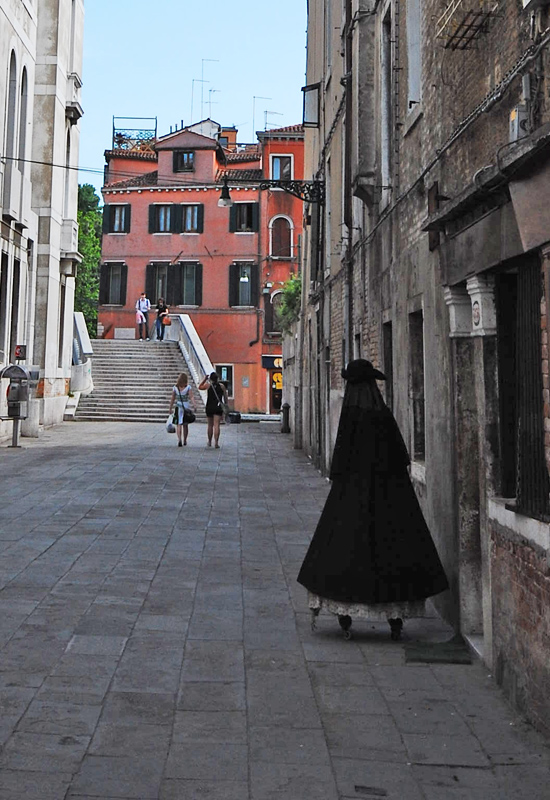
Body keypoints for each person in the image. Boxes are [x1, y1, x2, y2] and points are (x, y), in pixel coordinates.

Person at [297, 359, 449, 641]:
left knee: (346, 548)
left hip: (352, 498)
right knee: (392, 548)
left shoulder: (351, 418)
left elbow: (340, 464)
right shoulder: (383, 416)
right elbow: (400, 457)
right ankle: (395, 620)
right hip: (391, 498)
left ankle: (346, 615)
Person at [198, 371, 228, 448]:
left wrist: (205, 379)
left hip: (209, 406)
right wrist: (225, 406)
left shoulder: (208, 385)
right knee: (217, 425)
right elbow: (225, 397)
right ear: (217, 378)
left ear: (210, 379)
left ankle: (209, 441)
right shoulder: (222, 386)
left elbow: (200, 387)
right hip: (218, 407)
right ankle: (216, 443)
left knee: (210, 425)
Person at [169, 373, 196, 447]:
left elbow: (173, 398)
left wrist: (170, 408)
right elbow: (191, 397)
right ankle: (185, 440)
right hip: (186, 407)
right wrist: (194, 405)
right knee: (185, 425)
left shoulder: (175, 388)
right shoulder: (188, 387)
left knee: (179, 424)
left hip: (178, 407)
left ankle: (179, 439)